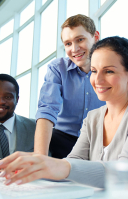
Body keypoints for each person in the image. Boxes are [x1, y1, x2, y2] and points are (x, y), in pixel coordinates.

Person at [0, 36, 128, 188]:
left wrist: (59, 166)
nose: (98, 80)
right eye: (94, 71)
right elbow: (74, 164)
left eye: (109, 71)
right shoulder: (93, 117)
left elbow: (126, 175)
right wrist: (33, 165)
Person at [34, 14, 105, 159]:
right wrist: (40, 158)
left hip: (99, 141)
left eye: (80, 39)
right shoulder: (57, 68)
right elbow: (47, 110)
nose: (75, 49)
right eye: (68, 44)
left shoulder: (110, 69)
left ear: (95, 37)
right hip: (63, 139)